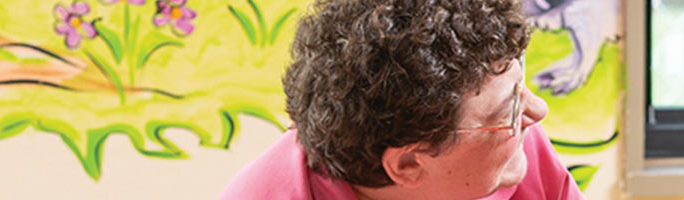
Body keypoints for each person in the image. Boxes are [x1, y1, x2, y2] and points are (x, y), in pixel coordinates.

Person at [219, 0, 581, 199]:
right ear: (408, 165)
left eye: (518, 82)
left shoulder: (513, 144)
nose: (537, 111)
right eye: (511, 108)